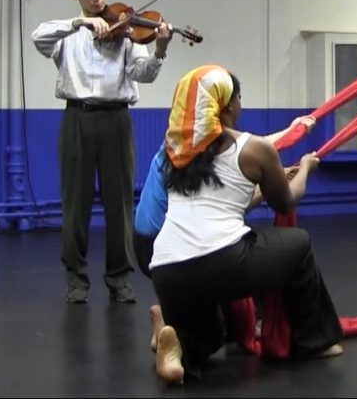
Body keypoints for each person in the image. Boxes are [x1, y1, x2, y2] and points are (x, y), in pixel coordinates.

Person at [148, 65, 343, 384]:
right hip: (220, 263)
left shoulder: (176, 151)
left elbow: (229, 199)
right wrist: (306, 168)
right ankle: (309, 342)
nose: (242, 105)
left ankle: (177, 348)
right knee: (298, 243)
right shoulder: (253, 148)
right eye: (239, 98)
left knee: (211, 335)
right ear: (225, 106)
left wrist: (272, 181)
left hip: (167, 270)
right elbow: (286, 201)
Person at [31, 0, 172, 304]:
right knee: (74, 203)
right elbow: (38, 35)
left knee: (119, 202)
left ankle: (119, 278)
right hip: (77, 118)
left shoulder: (126, 30)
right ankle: (76, 279)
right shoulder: (66, 36)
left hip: (116, 120)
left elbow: (144, 74)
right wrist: (79, 22)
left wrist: (161, 49)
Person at [134, 114, 316, 352]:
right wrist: (282, 181)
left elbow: (250, 147)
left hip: (150, 250)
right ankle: (262, 322)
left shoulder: (181, 146)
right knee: (248, 250)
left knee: (211, 327)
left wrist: (291, 131)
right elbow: (248, 158)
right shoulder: (199, 155)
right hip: (171, 248)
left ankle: (168, 324)